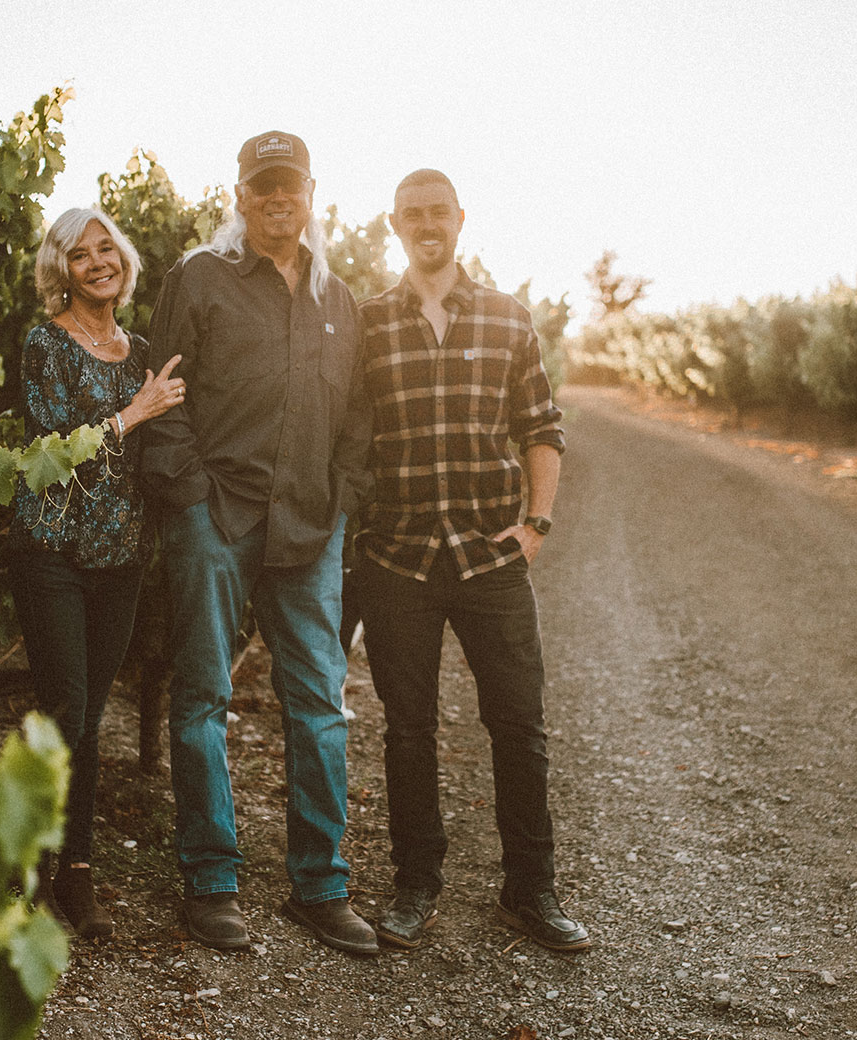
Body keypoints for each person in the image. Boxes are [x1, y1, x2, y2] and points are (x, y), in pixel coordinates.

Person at [139, 131, 377, 955]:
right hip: (218, 518)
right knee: (202, 694)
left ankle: (320, 884)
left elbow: (357, 422)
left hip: (309, 529)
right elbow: (162, 399)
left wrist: (341, 504)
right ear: (241, 196)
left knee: (320, 705)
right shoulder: (198, 279)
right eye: (262, 186)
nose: (278, 199)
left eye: (292, 187)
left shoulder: (337, 300)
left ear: (312, 195)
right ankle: (210, 881)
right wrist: (191, 500)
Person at [354, 169, 591, 951]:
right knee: (407, 729)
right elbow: (349, 438)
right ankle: (416, 883)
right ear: (396, 224)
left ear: (460, 220)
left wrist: (537, 526)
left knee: (518, 724)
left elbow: (541, 429)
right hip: (398, 558)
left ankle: (532, 889)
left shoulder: (506, 318)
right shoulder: (368, 325)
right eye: (412, 215)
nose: (427, 225)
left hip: (491, 556)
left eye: (438, 213)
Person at [8, 207, 185, 938]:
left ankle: (71, 866)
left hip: (119, 558)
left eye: (105, 249)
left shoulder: (142, 348)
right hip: (50, 551)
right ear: (62, 271)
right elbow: (49, 448)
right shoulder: (44, 344)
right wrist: (130, 415)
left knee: (85, 714)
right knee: (70, 710)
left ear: (123, 260)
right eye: (79, 255)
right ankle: (41, 860)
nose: (97, 262)